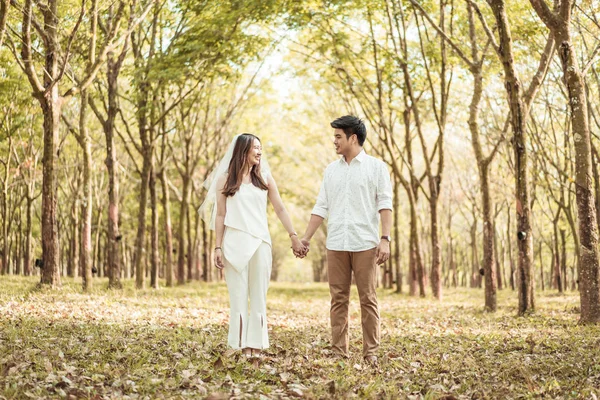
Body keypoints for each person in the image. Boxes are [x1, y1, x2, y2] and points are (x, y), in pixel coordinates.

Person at [200, 133, 306, 357]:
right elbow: (220, 215)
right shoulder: (225, 180)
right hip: (233, 244)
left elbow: (280, 209)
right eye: (255, 147)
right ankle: (237, 347)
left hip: (260, 243)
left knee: (258, 297)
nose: (259, 151)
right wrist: (217, 247)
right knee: (238, 298)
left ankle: (254, 347)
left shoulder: (265, 178)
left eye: (260, 147)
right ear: (243, 150)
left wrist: (293, 235)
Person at [299, 116, 392, 367]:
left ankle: (370, 351)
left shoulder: (376, 168)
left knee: (368, 298)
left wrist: (385, 239)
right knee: (338, 298)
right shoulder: (331, 170)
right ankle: (339, 351)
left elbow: (385, 205)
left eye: (338, 136)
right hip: (337, 242)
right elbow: (321, 206)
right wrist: (306, 238)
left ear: (353, 138)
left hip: (365, 243)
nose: (334, 141)